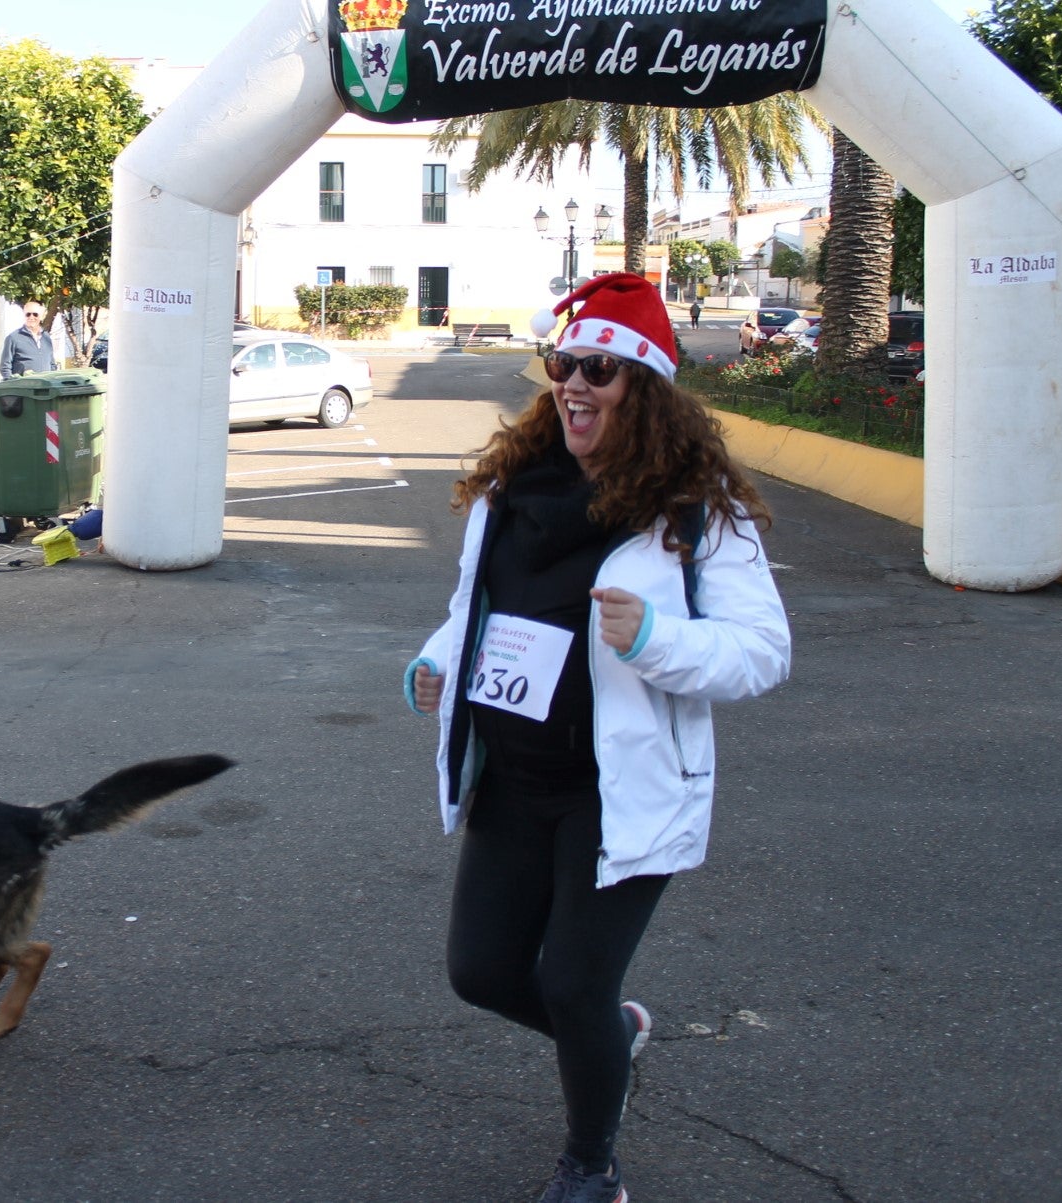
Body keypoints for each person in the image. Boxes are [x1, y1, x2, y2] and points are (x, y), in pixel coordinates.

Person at [404, 273, 790, 1203]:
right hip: (511, 775)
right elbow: (477, 610)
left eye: (601, 370)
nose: (574, 384)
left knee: (572, 983)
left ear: (643, 389)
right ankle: (611, 1032)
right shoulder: (509, 493)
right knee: (483, 972)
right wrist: (433, 661)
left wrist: (656, 640)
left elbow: (760, 652)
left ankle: (591, 1166)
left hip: (616, 789)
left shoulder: (692, 514)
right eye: (564, 364)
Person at [0, 300, 55, 378]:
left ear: (41, 317)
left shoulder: (46, 337)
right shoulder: (13, 338)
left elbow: (52, 364)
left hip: (46, 387)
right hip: (25, 388)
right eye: (28, 314)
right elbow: (5, 367)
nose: (31, 317)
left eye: (35, 314)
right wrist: (13, 384)